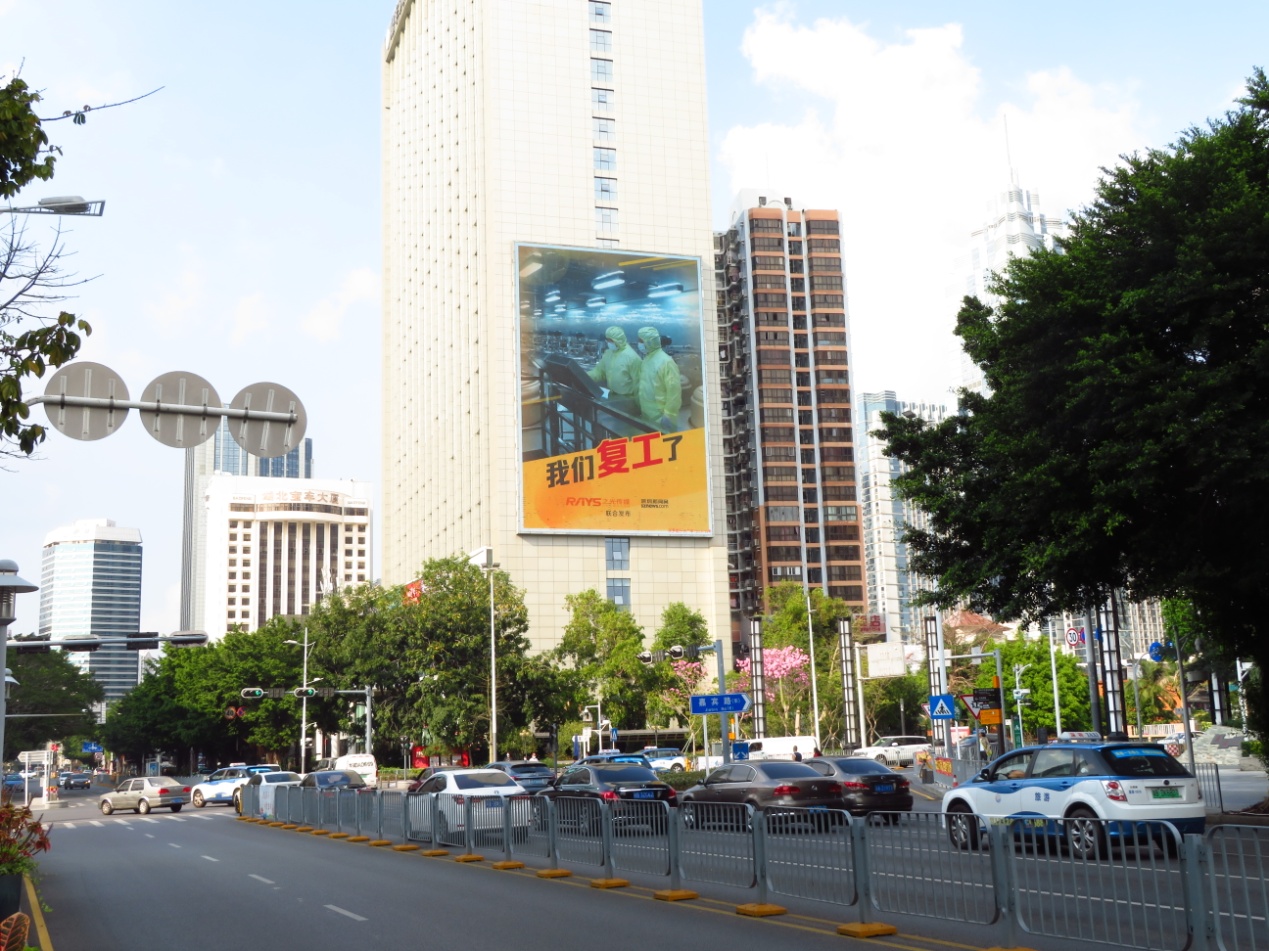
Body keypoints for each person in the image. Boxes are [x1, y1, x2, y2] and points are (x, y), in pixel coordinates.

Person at [635, 326, 682, 431]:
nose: (639, 344)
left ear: (650, 342)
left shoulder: (666, 362)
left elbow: (674, 392)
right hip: (646, 412)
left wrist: (669, 414)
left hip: (660, 415)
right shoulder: (647, 360)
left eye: (641, 341)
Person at [587, 326, 642, 397]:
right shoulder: (609, 353)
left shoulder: (632, 358)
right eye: (607, 340)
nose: (608, 342)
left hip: (628, 398)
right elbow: (600, 371)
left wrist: (637, 401)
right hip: (613, 395)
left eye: (610, 340)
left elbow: (639, 383)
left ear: (618, 340)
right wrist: (585, 376)